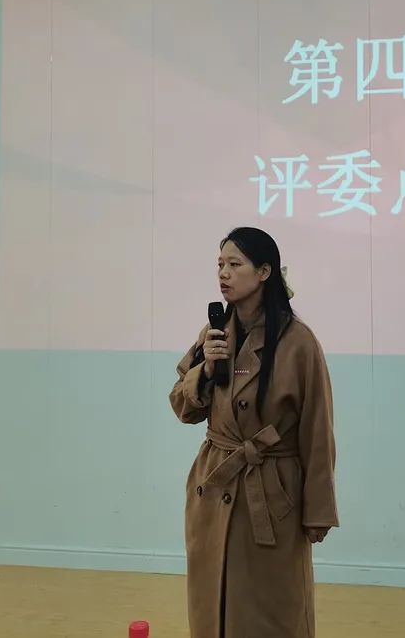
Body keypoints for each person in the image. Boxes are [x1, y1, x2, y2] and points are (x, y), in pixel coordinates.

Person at [169, 227, 338, 638]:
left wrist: (318, 511)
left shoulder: (298, 342)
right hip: (214, 490)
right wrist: (206, 371)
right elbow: (182, 407)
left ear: (264, 272)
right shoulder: (213, 335)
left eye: (235, 264)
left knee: (273, 610)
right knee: (213, 608)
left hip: (272, 495)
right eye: (219, 265)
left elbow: (317, 429)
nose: (223, 274)